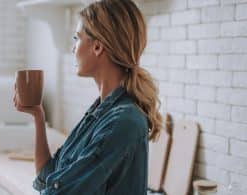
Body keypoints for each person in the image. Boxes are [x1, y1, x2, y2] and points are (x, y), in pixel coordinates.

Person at [13, 0, 162, 194]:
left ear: (98, 47)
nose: (73, 48)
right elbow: (47, 177)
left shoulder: (122, 121)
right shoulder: (99, 114)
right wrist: (39, 117)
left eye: (77, 38)